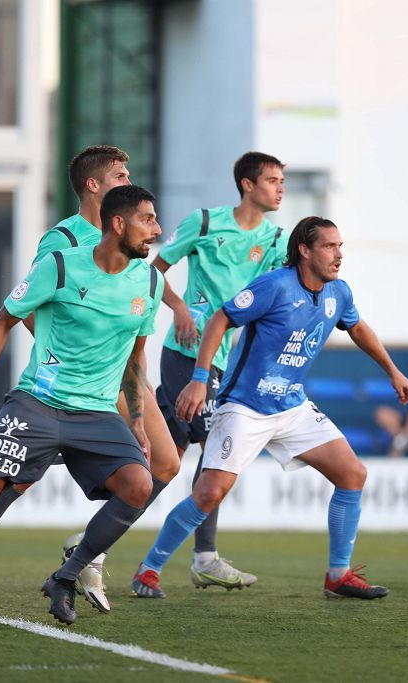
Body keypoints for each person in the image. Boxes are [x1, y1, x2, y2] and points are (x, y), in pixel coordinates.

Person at [0, 146, 180, 615]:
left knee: (163, 465)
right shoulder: (62, 240)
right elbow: (26, 309)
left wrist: (177, 311)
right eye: (121, 175)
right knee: (12, 484)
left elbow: (143, 295)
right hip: (65, 380)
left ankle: (86, 554)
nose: (129, 181)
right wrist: (61, 361)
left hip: (118, 373)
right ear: (94, 185)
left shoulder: (132, 239)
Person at [130, 216, 408, 600]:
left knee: (352, 474)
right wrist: (199, 378)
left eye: (340, 246)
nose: (339, 254)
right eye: (330, 246)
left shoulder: (338, 293)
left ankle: (338, 575)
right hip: (245, 408)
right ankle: (148, 570)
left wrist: (393, 370)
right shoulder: (274, 286)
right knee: (209, 493)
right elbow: (220, 319)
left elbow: (357, 328)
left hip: (292, 407)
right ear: (304, 250)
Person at [150, 151, 289, 591]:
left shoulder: (276, 241)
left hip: (226, 362)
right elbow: (153, 270)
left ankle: (91, 543)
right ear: (247, 185)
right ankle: (205, 557)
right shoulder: (205, 223)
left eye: (282, 180)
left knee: (166, 461)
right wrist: (178, 310)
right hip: (187, 354)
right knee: (216, 448)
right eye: (272, 180)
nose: (280, 188)